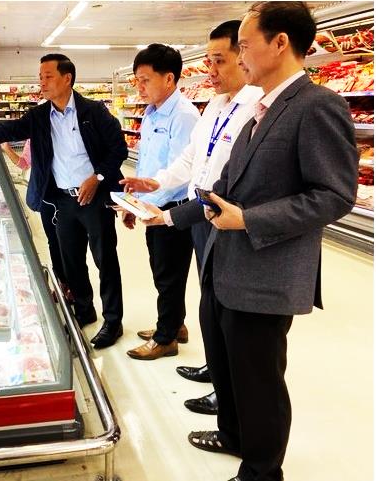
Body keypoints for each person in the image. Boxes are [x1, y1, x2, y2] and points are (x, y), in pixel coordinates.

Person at [137, 3, 358, 480]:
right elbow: (223, 189)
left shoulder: (317, 105)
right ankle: (234, 435)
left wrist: (251, 220)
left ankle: (261, 470)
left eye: (243, 46)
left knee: (259, 380)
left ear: (280, 43)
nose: (238, 57)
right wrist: (168, 217)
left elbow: (335, 195)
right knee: (230, 366)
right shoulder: (260, 109)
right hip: (227, 264)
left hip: (266, 273)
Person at [120, 21, 264, 414]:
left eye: (219, 60)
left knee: (228, 306)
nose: (209, 70)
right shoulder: (216, 105)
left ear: (245, 56)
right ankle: (216, 368)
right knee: (210, 298)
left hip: (228, 220)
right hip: (199, 213)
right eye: (208, 61)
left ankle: (227, 389)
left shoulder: (257, 107)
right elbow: (192, 159)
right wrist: (156, 182)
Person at [0, 54, 128, 348]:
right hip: (63, 201)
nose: (42, 82)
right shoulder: (39, 116)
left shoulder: (94, 111)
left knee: (105, 260)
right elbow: (6, 130)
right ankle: (84, 310)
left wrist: (97, 177)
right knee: (71, 261)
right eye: (40, 76)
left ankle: (113, 322)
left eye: (48, 76)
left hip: (95, 198)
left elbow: (118, 149)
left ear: (67, 79)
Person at [120, 44, 200, 361]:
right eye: (136, 80)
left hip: (173, 209)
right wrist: (135, 203)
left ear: (169, 78)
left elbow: (182, 170)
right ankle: (175, 324)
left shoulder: (184, 116)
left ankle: (166, 338)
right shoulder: (152, 112)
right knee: (162, 271)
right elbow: (147, 165)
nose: (139, 87)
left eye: (145, 80)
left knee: (169, 276)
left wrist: (149, 206)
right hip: (152, 207)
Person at [0, 140, 73, 302]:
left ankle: (72, 287)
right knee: (55, 242)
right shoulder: (33, 139)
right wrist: (6, 147)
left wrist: (6, 148)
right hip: (49, 198)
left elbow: (24, 164)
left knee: (69, 244)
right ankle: (63, 284)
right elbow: (24, 164)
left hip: (69, 196)